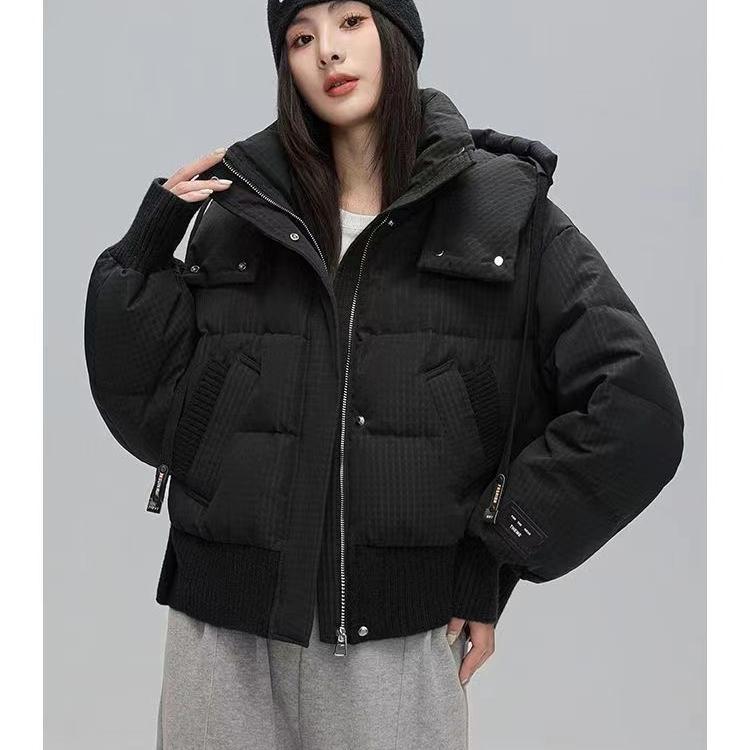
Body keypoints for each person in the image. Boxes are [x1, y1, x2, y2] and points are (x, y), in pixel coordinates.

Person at [83, 1, 685, 748]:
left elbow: (636, 409)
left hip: (397, 644)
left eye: (350, 21)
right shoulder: (242, 209)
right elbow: (161, 409)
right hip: (219, 637)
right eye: (301, 37)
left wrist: (495, 551)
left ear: (396, 34)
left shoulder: (500, 209)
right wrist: (146, 249)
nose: (327, 53)